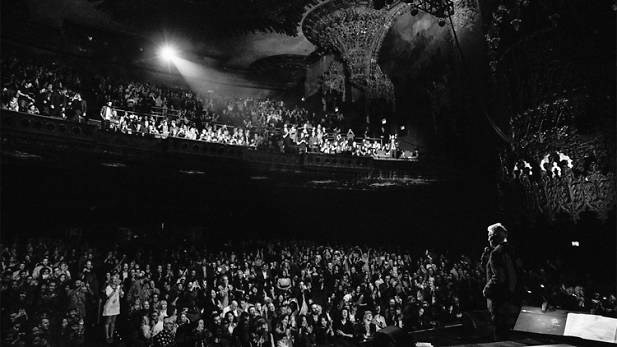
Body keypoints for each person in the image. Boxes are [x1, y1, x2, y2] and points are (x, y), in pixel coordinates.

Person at [482, 223, 520, 340]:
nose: (488, 238)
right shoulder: (510, 250)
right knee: (507, 331)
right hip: (510, 295)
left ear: (494, 237)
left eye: (489, 235)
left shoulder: (496, 253)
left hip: (498, 297)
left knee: (499, 330)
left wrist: (487, 290)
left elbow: (499, 277)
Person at [103, 274, 124, 343]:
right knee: (108, 321)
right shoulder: (108, 287)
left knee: (113, 321)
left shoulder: (118, 287)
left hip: (116, 306)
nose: (115, 280)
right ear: (112, 280)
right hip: (109, 306)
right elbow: (108, 296)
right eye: (114, 279)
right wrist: (114, 289)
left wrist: (120, 289)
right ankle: (107, 336)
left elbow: (121, 296)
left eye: (116, 279)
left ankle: (111, 335)